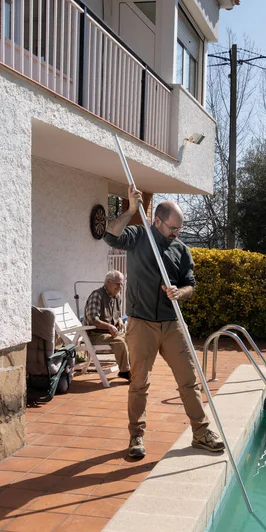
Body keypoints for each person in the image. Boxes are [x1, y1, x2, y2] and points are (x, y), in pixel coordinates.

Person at [103, 185, 225, 458]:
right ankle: (136, 436)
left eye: (179, 228)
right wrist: (132, 211)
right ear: (157, 221)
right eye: (172, 228)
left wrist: (179, 293)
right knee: (139, 383)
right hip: (141, 324)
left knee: (189, 380)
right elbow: (110, 236)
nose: (176, 233)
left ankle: (201, 432)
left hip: (172, 324)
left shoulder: (181, 250)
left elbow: (190, 285)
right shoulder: (137, 236)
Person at [84, 270, 130, 381]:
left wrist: (118, 321)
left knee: (133, 339)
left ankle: (134, 369)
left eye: (122, 284)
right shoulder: (97, 295)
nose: (120, 287)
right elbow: (93, 319)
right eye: (118, 284)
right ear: (108, 282)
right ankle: (125, 372)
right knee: (120, 342)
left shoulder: (117, 296)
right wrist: (109, 326)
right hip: (95, 334)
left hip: (110, 334)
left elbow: (117, 315)